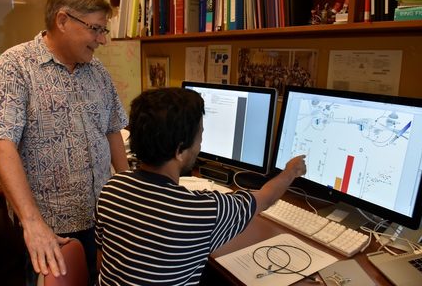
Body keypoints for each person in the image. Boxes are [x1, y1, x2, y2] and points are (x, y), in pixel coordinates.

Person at [0, 0, 129, 285]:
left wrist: (129, 197)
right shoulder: (15, 66)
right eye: (96, 29)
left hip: (103, 217)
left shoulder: (98, 71)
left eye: (104, 30)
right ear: (63, 21)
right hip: (49, 226)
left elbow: (113, 132)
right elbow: (2, 144)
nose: (102, 40)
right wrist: (32, 224)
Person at [94, 87, 306, 285]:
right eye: (200, 134)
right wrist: (290, 172)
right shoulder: (203, 211)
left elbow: (102, 259)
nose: (201, 143)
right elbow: (266, 198)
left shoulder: (111, 189)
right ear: (179, 150)